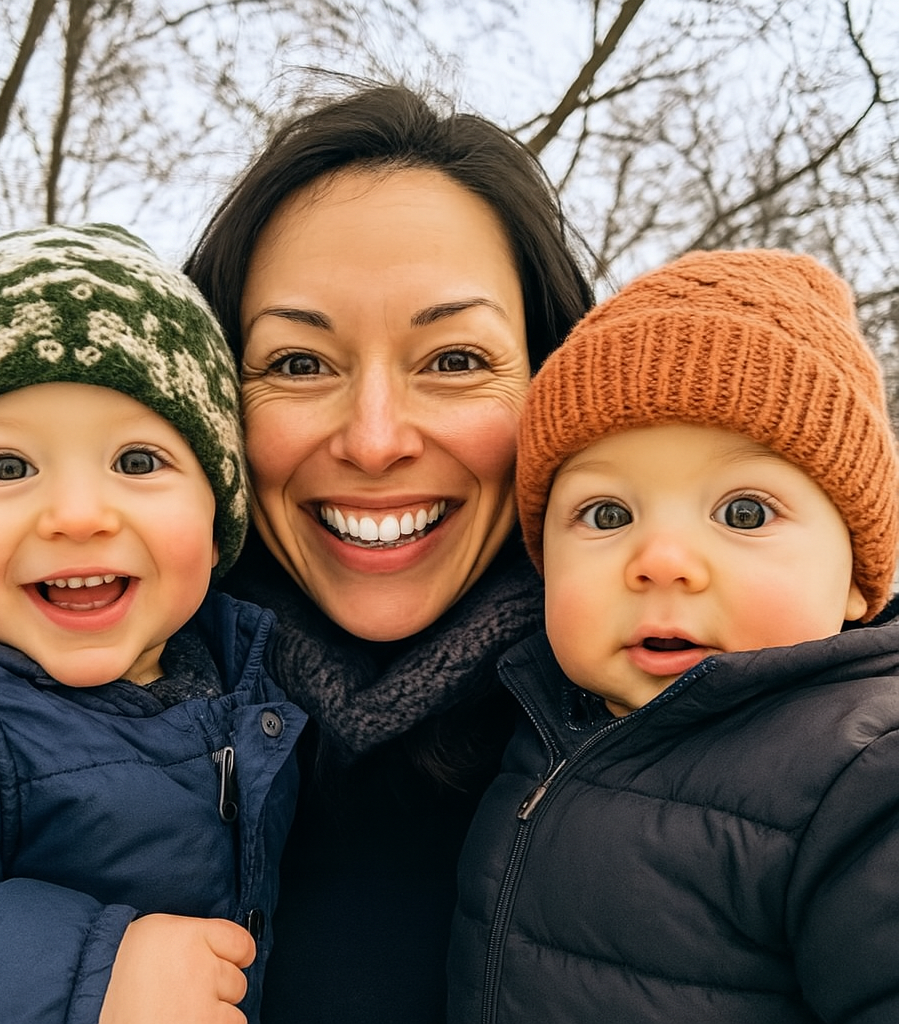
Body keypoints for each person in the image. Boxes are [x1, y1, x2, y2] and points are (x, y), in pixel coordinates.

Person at [183, 83, 595, 1022]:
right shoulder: (30, 715)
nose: (374, 441)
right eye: (298, 363)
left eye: (454, 360)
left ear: (555, 378)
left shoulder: (732, 727)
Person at [449, 248, 899, 1023]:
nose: (661, 561)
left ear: (858, 578)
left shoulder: (866, 781)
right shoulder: (540, 727)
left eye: (744, 513)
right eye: (607, 514)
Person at [0, 223, 306, 1024]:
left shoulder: (245, 677)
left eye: (137, 462)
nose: (77, 514)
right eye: (8, 467)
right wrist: (94, 975)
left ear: (217, 525)